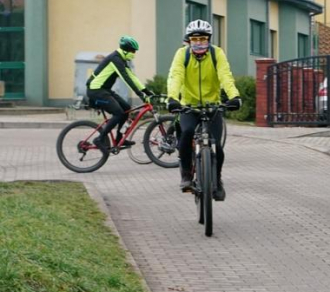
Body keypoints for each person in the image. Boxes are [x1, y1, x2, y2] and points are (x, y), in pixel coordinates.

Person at [166, 19, 241, 201]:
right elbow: (176, 76)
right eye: (195, 39)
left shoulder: (217, 54)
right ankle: (186, 174)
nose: (199, 43)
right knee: (186, 134)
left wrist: (234, 96)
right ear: (189, 40)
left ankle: (217, 179)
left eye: (203, 39)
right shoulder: (182, 54)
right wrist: (173, 98)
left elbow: (225, 76)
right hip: (189, 106)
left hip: (212, 105)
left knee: (217, 147)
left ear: (209, 39)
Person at [86, 35, 154, 151]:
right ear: (126, 50)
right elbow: (126, 78)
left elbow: (132, 76)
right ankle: (99, 139)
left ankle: (118, 138)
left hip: (105, 90)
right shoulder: (115, 59)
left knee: (126, 108)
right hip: (96, 90)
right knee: (118, 113)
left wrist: (145, 90)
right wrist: (140, 95)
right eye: (133, 51)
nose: (134, 53)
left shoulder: (122, 60)